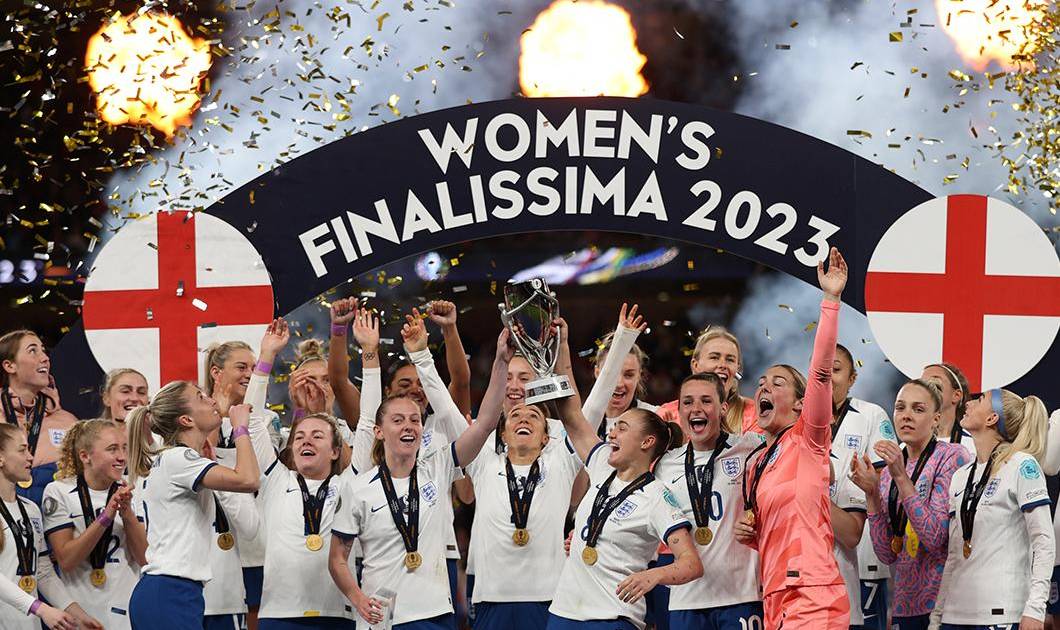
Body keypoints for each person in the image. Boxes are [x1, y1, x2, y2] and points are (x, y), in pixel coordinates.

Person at [328, 327, 511, 630]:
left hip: (434, 614)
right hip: (381, 618)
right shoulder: (358, 488)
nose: (408, 426)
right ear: (378, 431)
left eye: (414, 420)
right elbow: (337, 558)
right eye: (397, 420)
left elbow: (486, 423)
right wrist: (357, 598)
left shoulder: (438, 466)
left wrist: (501, 362)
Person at [734, 246, 849, 630]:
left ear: (801, 403)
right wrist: (751, 534)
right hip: (774, 594)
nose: (764, 387)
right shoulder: (754, 464)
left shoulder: (809, 439)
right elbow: (776, 527)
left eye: (778, 383)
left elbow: (820, 373)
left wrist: (830, 300)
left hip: (814, 593)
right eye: (761, 383)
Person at [547, 379, 702, 630]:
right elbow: (572, 417)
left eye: (622, 428)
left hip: (613, 616)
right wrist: (559, 357)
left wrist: (654, 575)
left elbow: (691, 564)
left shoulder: (656, 497)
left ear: (646, 442)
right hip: (563, 613)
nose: (611, 433)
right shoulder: (602, 465)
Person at [125, 380, 261, 629]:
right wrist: (241, 429)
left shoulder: (172, 459)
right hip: (171, 590)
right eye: (201, 397)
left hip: (170, 591)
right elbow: (249, 479)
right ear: (186, 420)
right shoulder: (179, 458)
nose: (211, 400)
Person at [850, 379, 970, 630]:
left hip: (943, 604)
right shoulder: (890, 469)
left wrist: (901, 477)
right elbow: (886, 553)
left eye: (918, 409)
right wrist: (871, 494)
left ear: (936, 419)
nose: (906, 415)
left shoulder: (952, 455)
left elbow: (934, 537)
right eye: (900, 407)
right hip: (905, 605)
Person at [931, 390, 1053, 630]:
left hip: (1000, 613)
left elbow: (1044, 541)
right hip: (954, 615)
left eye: (979, 400)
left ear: (992, 418)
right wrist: (937, 615)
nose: (968, 403)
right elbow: (954, 553)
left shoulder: (1021, 465)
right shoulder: (960, 476)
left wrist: (1036, 608)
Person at [655, 372, 765, 630]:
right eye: (688, 402)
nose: (696, 408)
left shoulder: (750, 448)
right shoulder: (665, 465)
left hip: (742, 597)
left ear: (723, 408)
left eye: (706, 401)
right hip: (685, 600)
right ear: (679, 410)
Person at [463, 394, 582, 629]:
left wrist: (612, 368)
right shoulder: (483, 463)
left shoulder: (561, 463)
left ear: (546, 438)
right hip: (491, 597)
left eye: (534, 416)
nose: (524, 419)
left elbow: (591, 412)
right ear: (503, 435)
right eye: (515, 415)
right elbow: (447, 409)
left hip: (549, 597)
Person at [204, 321, 290, 630]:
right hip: (211, 546)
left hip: (256, 545)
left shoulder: (265, 419)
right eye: (241, 367)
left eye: (254, 368)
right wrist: (214, 419)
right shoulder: (195, 416)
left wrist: (268, 355)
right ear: (216, 372)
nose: (249, 374)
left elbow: (267, 472)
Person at [42, 419, 148, 630]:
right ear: (85, 456)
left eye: (124, 448)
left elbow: (145, 559)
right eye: (112, 449)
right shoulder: (58, 491)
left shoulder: (135, 488)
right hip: (79, 614)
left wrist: (127, 514)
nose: (121, 457)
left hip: (127, 613)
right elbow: (67, 560)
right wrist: (106, 517)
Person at [0, 424, 101, 629]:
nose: (30, 457)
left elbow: (44, 572)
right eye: (22, 450)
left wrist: (77, 614)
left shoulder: (31, 510)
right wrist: (40, 608)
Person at [830, 343, 898, 629]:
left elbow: (886, 482)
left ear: (852, 378)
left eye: (835, 369)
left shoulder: (871, 415)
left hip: (864, 551)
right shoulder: (797, 416)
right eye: (820, 369)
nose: (827, 376)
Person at [0, 330, 78, 504]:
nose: (45, 358)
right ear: (10, 366)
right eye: (32, 351)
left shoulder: (68, 422)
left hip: (56, 517)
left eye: (43, 351)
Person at [659, 326, 756, 435]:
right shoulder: (668, 414)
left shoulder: (755, 414)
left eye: (730, 360)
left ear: (737, 369)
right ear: (695, 365)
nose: (723, 365)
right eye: (714, 357)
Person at [920, 364, 975, 456]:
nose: (926, 390)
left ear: (956, 396)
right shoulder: (907, 447)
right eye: (921, 385)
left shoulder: (972, 446)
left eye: (935, 383)